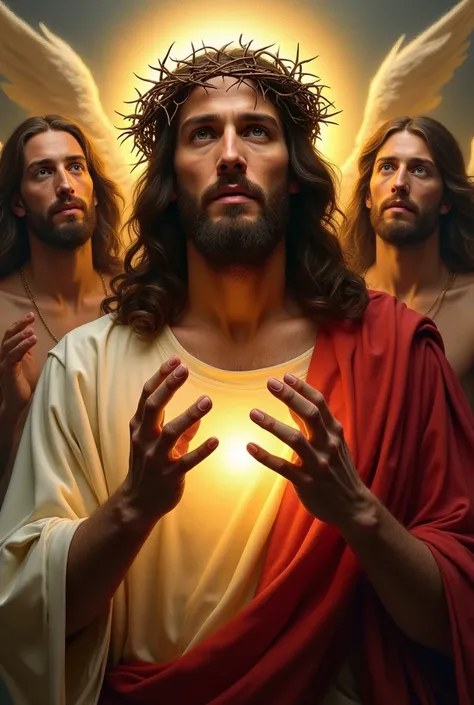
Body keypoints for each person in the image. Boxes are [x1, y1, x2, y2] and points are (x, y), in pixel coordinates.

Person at [0, 44, 474, 705]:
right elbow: (26, 622)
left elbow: (455, 616)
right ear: (170, 179)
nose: (230, 153)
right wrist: (132, 509)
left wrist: (359, 513)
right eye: (202, 133)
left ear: (297, 172)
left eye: (256, 130)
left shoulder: (392, 353)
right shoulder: (84, 366)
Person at [0, 115, 123, 499]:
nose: (65, 185)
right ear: (18, 202)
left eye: (75, 167)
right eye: (42, 172)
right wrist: (14, 411)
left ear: (96, 191)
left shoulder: (139, 297)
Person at [341, 115, 474, 408]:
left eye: (420, 170)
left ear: (446, 200)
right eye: (387, 167)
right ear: (367, 195)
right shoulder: (336, 302)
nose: (399, 183)